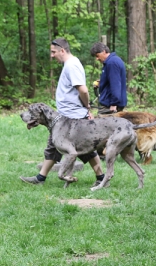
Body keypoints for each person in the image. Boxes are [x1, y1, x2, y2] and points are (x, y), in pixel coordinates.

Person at [20, 38, 105, 186]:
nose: (52, 55)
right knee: (59, 146)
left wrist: (86, 107)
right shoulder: (69, 64)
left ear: (63, 50)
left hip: (72, 116)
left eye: (54, 52)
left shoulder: (71, 65)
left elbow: (83, 90)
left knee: (84, 148)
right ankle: (41, 178)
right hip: (66, 115)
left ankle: (101, 178)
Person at [90, 42, 127, 115]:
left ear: (104, 52)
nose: (97, 59)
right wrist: (103, 82)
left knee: (101, 125)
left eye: (97, 56)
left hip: (110, 106)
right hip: (111, 103)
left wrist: (114, 104)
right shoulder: (113, 60)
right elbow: (114, 80)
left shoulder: (112, 63)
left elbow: (115, 84)